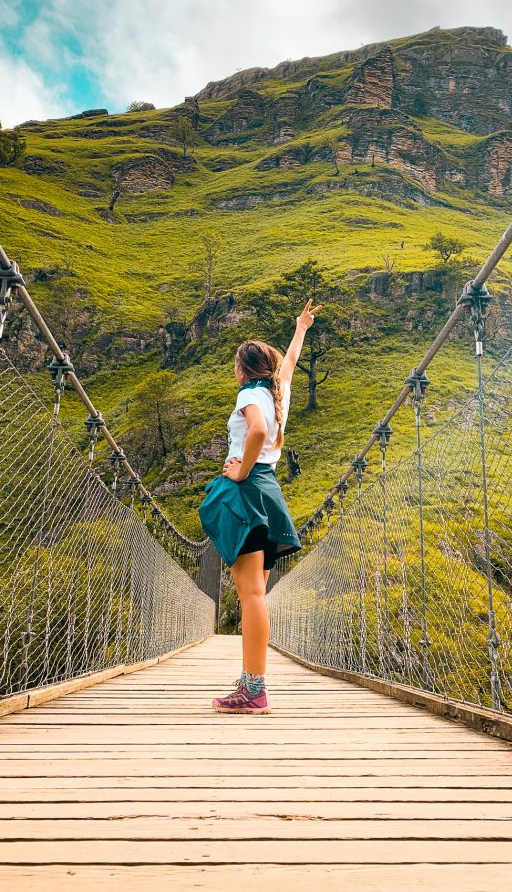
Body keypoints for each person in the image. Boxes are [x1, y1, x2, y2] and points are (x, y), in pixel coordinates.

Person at [198, 297, 322, 714]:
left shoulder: (251, 394)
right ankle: (251, 680)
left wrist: (239, 471)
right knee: (257, 592)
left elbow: (256, 431)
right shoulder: (277, 390)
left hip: (250, 491)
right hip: (269, 492)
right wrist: (301, 327)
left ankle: (254, 689)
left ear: (241, 369)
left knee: (250, 594)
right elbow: (289, 361)